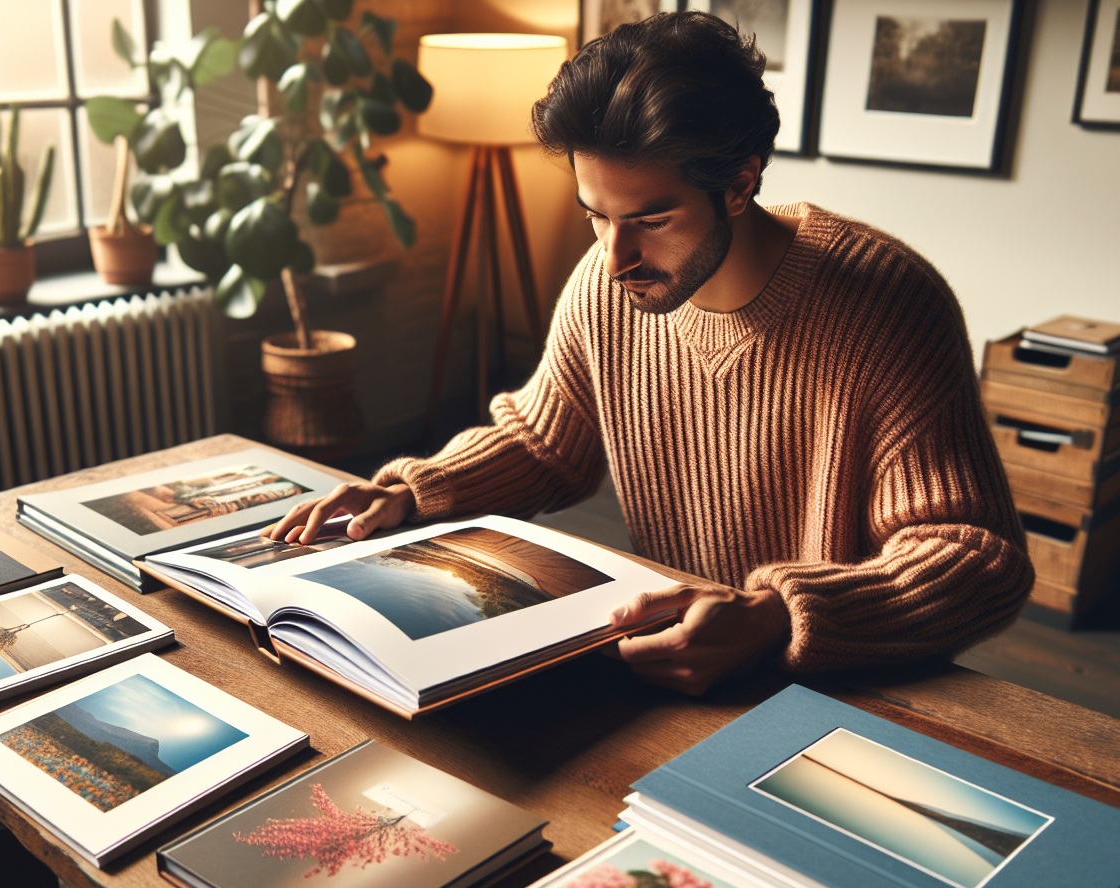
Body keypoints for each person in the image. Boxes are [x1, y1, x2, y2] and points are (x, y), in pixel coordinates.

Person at [266, 11, 1032, 693]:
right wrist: (413, 491)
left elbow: (975, 557)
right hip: (671, 670)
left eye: (652, 218)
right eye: (594, 215)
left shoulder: (889, 303)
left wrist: (775, 614)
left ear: (739, 184)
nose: (616, 255)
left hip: (852, 682)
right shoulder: (610, 287)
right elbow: (543, 444)